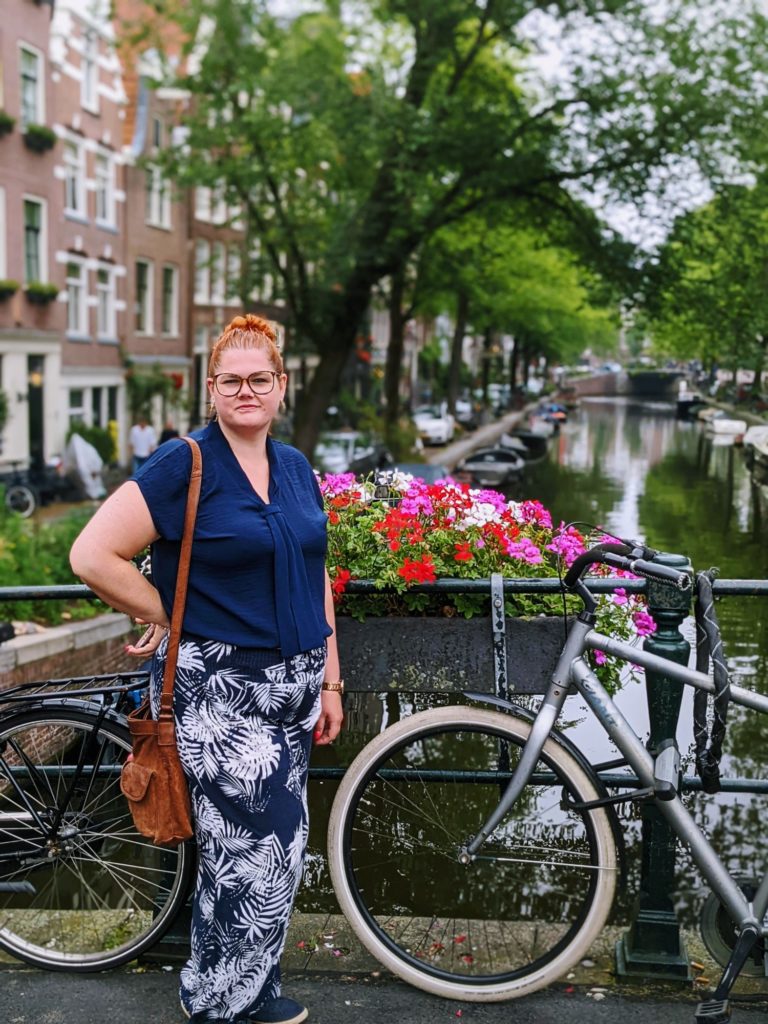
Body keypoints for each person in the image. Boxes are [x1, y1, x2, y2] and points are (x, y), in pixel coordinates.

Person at [70, 314, 344, 1024]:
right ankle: (218, 1002)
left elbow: (317, 576)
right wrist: (166, 614)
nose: (246, 390)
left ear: (282, 386)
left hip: (297, 684)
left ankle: (246, 992)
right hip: (223, 692)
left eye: (260, 379)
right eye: (232, 380)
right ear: (212, 387)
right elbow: (94, 554)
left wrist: (333, 677)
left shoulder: (293, 466)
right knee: (252, 857)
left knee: (273, 851)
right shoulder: (183, 463)